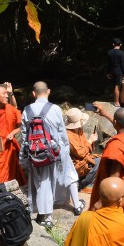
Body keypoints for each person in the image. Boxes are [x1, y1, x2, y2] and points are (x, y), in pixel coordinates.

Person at [22, 81, 85, 228]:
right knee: (70, 174)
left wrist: (23, 159)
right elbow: (62, 132)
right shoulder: (55, 109)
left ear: (33, 93)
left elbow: (25, 137)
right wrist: (66, 151)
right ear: (48, 91)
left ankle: (47, 217)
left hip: (37, 152)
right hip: (56, 150)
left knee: (43, 182)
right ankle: (77, 205)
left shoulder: (26, 111)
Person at [65, 107, 100, 190]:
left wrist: (91, 141)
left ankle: (92, 182)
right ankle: (84, 183)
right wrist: (90, 141)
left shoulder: (79, 129)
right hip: (76, 163)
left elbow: (86, 147)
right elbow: (80, 153)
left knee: (103, 158)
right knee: (98, 161)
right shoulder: (69, 135)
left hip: (85, 157)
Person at [107, 37, 124, 106]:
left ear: (113, 44)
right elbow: (123, 64)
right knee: (117, 86)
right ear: (120, 44)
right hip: (119, 71)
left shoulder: (109, 52)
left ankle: (117, 100)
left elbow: (109, 64)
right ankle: (116, 102)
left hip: (112, 71)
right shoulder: (121, 53)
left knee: (115, 86)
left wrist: (108, 72)